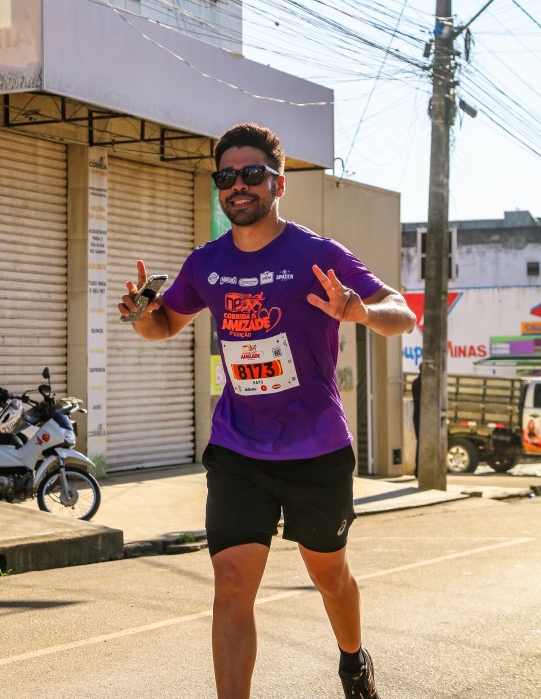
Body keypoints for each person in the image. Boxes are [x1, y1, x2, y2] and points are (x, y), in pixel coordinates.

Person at [119, 122, 416, 699]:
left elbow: (402, 312)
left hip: (317, 450)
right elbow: (165, 324)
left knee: (329, 577)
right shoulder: (205, 263)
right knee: (230, 583)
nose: (238, 186)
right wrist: (140, 315)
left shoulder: (317, 254)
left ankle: (353, 660)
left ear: (278, 184)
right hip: (238, 447)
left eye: (252, 174)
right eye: (226, 176)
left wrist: (359, 313)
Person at [411, 365, 422, 477]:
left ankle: (417, 470)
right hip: (422, 417)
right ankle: (419, 470)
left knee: (419, 442)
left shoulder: (415, 382)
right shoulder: (425, 383)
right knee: (422, 443)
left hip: (416, 415)